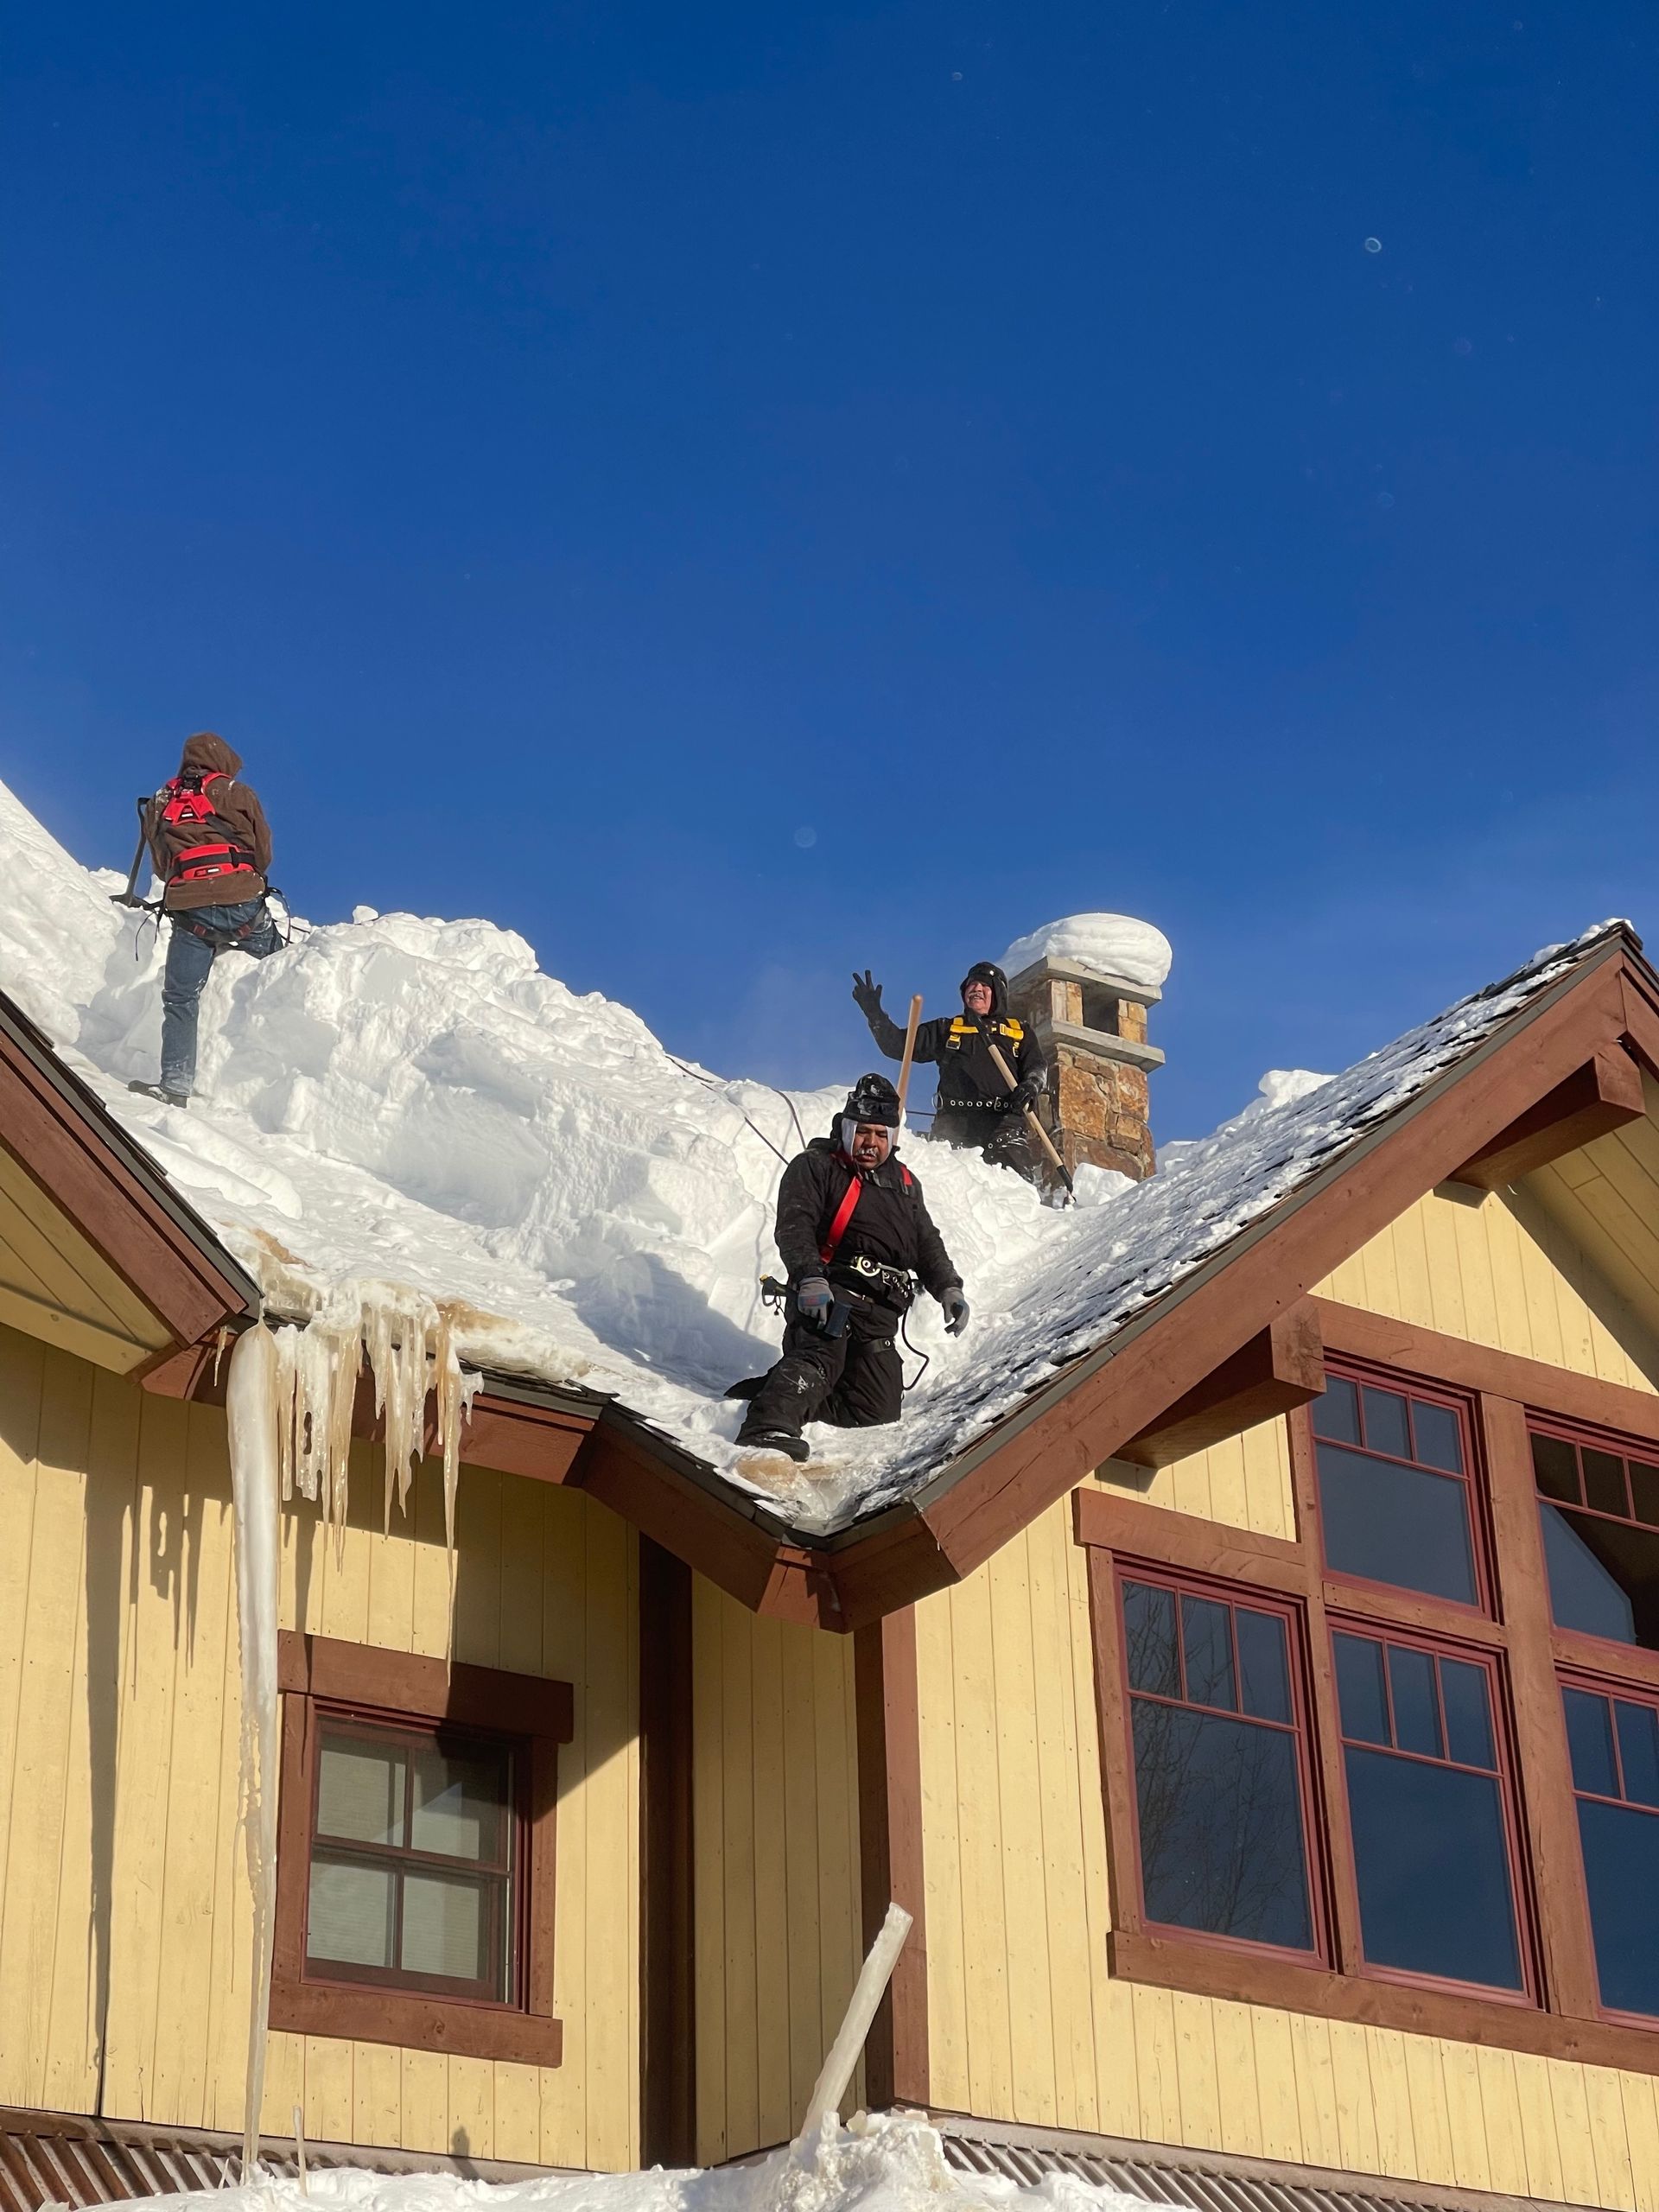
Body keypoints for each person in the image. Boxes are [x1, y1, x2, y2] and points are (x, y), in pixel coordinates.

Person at [731, 1073, 969, 1464]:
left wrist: (949, 1288)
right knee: (821, 1354)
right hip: (830, 1293)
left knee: (877, 1410)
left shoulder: (906, 1183)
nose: (870, 1143)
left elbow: (927, 1242)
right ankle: (769, 1424)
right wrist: (810, 1277)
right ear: (846, 1129)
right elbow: (795, 1226)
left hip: (879, 1311)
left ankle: (788, 1391)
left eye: (880, 1134)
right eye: (862, 1132)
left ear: (891, 1137)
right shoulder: (816, 1167)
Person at [127, 733, 283, 1108]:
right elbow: (263, 853)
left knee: (181, 997)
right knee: (281, 963)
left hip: (191, 909)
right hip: (241, 900)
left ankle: (175, 1085)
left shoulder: (162, 800)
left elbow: (163, 867)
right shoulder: (237, 792)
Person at [853, 959, 1046, 1181]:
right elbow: (896, 1046)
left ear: (999, 994)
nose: (976, 989)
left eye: (985, 985)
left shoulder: (1019, 1032)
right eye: (971, 985)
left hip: (1003, 1127)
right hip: (953, 1128)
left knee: (1017, 1194)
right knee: (948, 1193)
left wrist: (1031, 1085)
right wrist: (874, 1014)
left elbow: (1037, 1068)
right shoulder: (947, 1029)